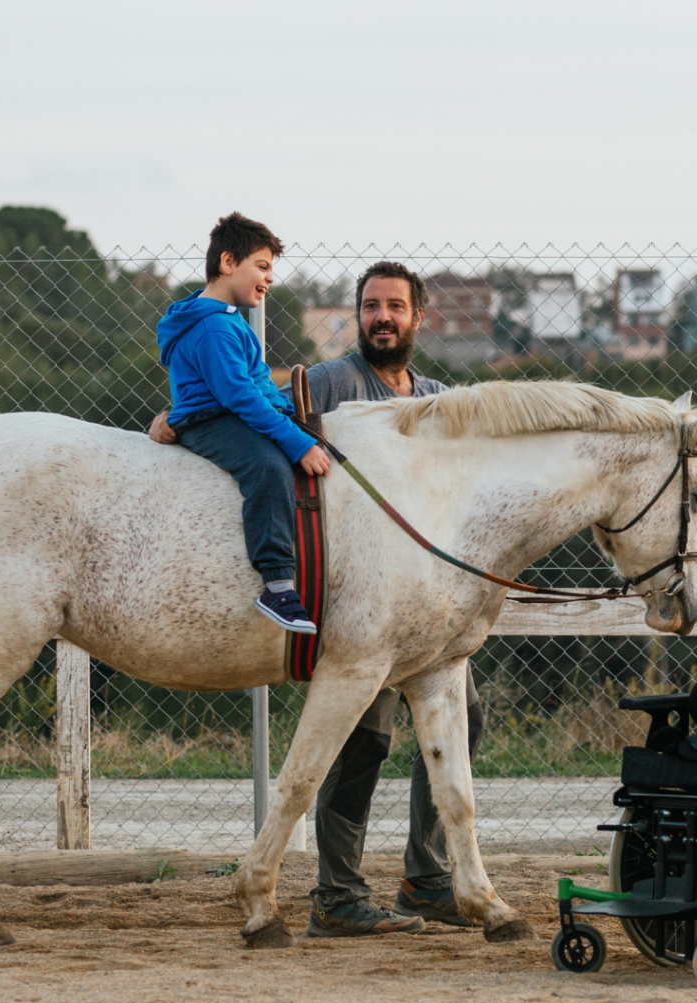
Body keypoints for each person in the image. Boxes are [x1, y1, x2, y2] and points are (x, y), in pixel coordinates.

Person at [149, 261, 486, 938]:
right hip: (360, 602)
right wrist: (182, 415)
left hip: (422, 607)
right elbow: (254, 397)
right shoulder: (331, 382)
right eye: (370, 306)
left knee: (463, 722)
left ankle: (425, 875)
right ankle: (339, 891)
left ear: (419, 317)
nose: (381, 317)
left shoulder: (438, 399)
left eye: (394, 306)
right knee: (363, 743)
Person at [156, 212, 327, 634]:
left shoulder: (230, 320)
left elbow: (260, 386)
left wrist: (292, 421)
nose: (269, 279)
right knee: (267, 466)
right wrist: (294, 441)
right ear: (229, 262)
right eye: (263, 267)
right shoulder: (214, 326)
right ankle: (278, 583)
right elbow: (239, 396)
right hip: (210, 420)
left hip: (230, 411)